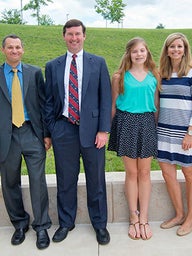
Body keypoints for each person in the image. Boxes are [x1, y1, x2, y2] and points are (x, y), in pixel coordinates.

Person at [44, 19, 111, 245]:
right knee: (65, 180)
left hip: (93, 133)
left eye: (78, 34)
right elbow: (49, 101)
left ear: (84, 36)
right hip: (64, 130)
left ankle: (100, 224)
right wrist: (51, 129)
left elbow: (105, 98)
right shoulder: (53, 65)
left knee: (96, 180)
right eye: (70, 34)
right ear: (63, 36)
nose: (74, 38)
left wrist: (103, 130)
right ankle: (66, 223)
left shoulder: (98, 63)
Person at [0, 34, 52, 249]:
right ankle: (20, 224)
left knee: (37, 181)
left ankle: (41, 227)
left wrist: (46, 134)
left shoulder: (34, 73)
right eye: (10, 47)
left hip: (32, 132)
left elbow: (44, 104)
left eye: (18, 47)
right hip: (6, 135)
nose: (14, 51)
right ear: (3, 50)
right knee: (9, 182)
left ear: (22, 50)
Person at [108, 37, 160, 240]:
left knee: (145, 172)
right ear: (129, 54)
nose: (139, 54)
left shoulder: (154, 76)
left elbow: (155, 106)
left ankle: (145, 218)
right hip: (126, 123)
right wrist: (110, 129)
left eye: (142, 51)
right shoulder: (119, 76)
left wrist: (155, 128)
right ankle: (133, 218)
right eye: (135, 51)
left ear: (147, 53)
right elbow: (113, 106)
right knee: (131, 173)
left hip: (147, 123)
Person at [157, 32, 192, 236]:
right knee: (167, 173)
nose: (176, 50)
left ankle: (190, 218)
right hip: (163, 131)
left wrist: (190, 133)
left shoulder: (190, 73)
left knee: (189, 174)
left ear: (185, 49)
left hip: (185, 133)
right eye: (172, 46)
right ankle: (179, 214)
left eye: (179, 46)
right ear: (167, 50)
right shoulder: (162, 73)